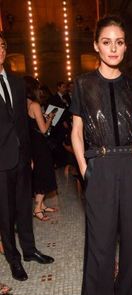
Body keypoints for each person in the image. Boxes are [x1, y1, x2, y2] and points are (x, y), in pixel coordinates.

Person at [71, 15, 132, 295]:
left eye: (119, 42)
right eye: (106, 41)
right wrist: (85, 170)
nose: (113, 48)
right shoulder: (83, 84)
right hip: (101, 167)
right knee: (100, 243)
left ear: (125, 46)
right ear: (96, 45)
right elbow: (77, 132)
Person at [0, 33, 54, 282]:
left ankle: (30, 250)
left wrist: (29, 155)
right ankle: (14, 259)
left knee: (24, 207)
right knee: (5, 212)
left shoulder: (17, 82)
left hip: (21, 157)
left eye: (2, 46)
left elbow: (21, 123)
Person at [24, 76, 58, 221]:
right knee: (44, 173)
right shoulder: (36, 105)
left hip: (32, 144)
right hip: (40, 145)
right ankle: (37, 209)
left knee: (39, 172)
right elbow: (44, 130)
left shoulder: (25, 104)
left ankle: (42, 205)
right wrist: (50, 117)